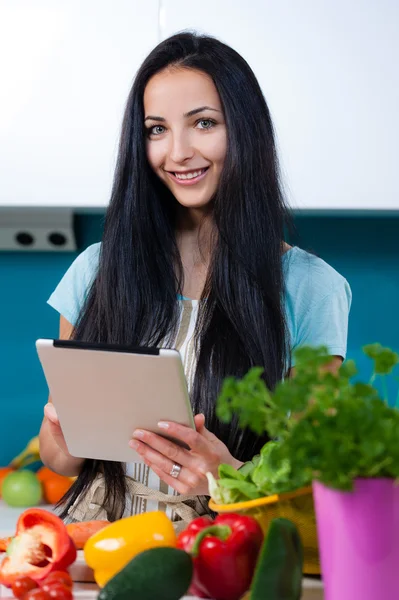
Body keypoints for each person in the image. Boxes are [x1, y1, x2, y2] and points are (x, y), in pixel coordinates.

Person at [39, 32, 351, 525]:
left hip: (221, 547)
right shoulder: (96, 270)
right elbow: (60, 462)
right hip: (97, 541)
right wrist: (63, 432)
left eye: (203, 123)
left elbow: (312, 482)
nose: (177, 152)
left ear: (246, 131)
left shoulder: (311, 288)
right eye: (156, 129)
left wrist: (226, 472)